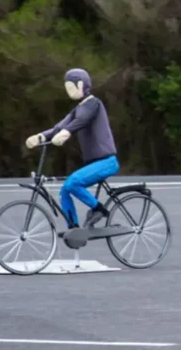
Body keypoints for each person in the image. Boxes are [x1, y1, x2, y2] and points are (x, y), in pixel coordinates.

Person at [25, 68, 119, 229]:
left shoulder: (93, 104)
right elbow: (59, 127)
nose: (69, 91)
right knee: (64, 191)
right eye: (67, 87)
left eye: (71, 87)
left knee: (73, 183)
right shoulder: (77, 109)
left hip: (107, 162)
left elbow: (81, 121)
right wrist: (40, 137)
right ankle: (73, 229)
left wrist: (66, 133)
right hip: (94, 164)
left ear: (82, 85)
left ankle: (99, 209)